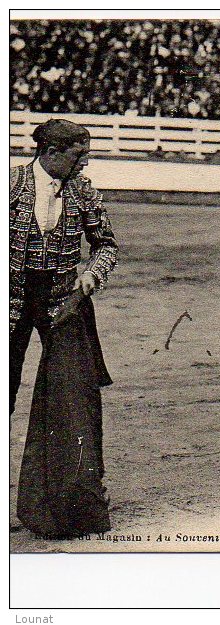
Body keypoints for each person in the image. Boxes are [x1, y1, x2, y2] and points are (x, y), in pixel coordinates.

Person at [10, 119, 119, 538]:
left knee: (76, 392)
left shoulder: (83, 189)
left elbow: (106, 244)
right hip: (10, 301)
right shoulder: (11, 185)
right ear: (51, 153)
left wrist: (93, 273)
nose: (85, 161)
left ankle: (73, 506)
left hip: (63, 301)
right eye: (79, 154)